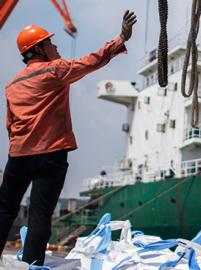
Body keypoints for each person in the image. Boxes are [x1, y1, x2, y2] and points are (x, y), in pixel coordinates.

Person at [0, 11, 137, 266]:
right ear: (39, 49)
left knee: (5, 209)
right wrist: (120, 39)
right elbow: (90, 62)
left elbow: (10, 124)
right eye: (50, 43)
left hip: (18, 155)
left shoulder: (12, 85)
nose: (56, 45)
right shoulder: (54, 70)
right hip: (50, 154)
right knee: (40, 215)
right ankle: (32, 266)